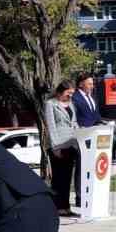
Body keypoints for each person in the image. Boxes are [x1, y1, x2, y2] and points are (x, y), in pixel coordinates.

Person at [45, 80, 79, 217]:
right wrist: (55, 147)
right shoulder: (51, 104)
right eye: (68, 93)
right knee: (58, 178)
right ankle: (57, 207)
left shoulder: (71, 104)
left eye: (72, 94)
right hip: (58, 145)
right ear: (60, 91)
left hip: (70, 144)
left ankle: (66, 207)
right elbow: (51, 126)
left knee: (67, 178)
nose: (70, 96)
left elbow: (74, 122)